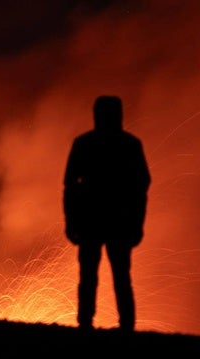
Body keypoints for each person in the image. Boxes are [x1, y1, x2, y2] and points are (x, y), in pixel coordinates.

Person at [63, 95, 151, 331]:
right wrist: (137, 223)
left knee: (91, 276)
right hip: (117, 221)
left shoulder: (84, 144)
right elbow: (141, 187)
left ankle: (86, 323)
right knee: (120, 276)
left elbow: (70, 186)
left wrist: (71, 222)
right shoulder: (130, 145)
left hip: (93, 220)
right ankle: (125, 325)